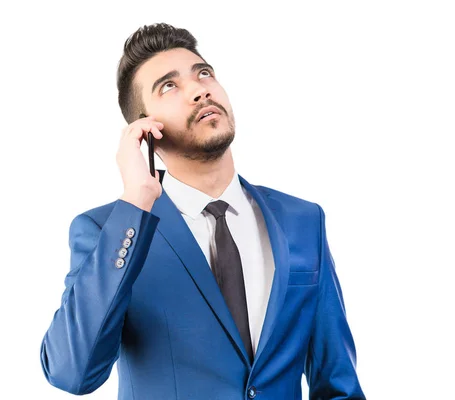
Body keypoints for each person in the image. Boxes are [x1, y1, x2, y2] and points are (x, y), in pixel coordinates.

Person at [40, 22, 365, 400]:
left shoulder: (303, 221)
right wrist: (135, 204)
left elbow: (337, 383)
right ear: (144, 128)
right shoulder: (108, 231)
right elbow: (70, 373)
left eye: (204, 73)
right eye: (169, 86)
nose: (199, 89)